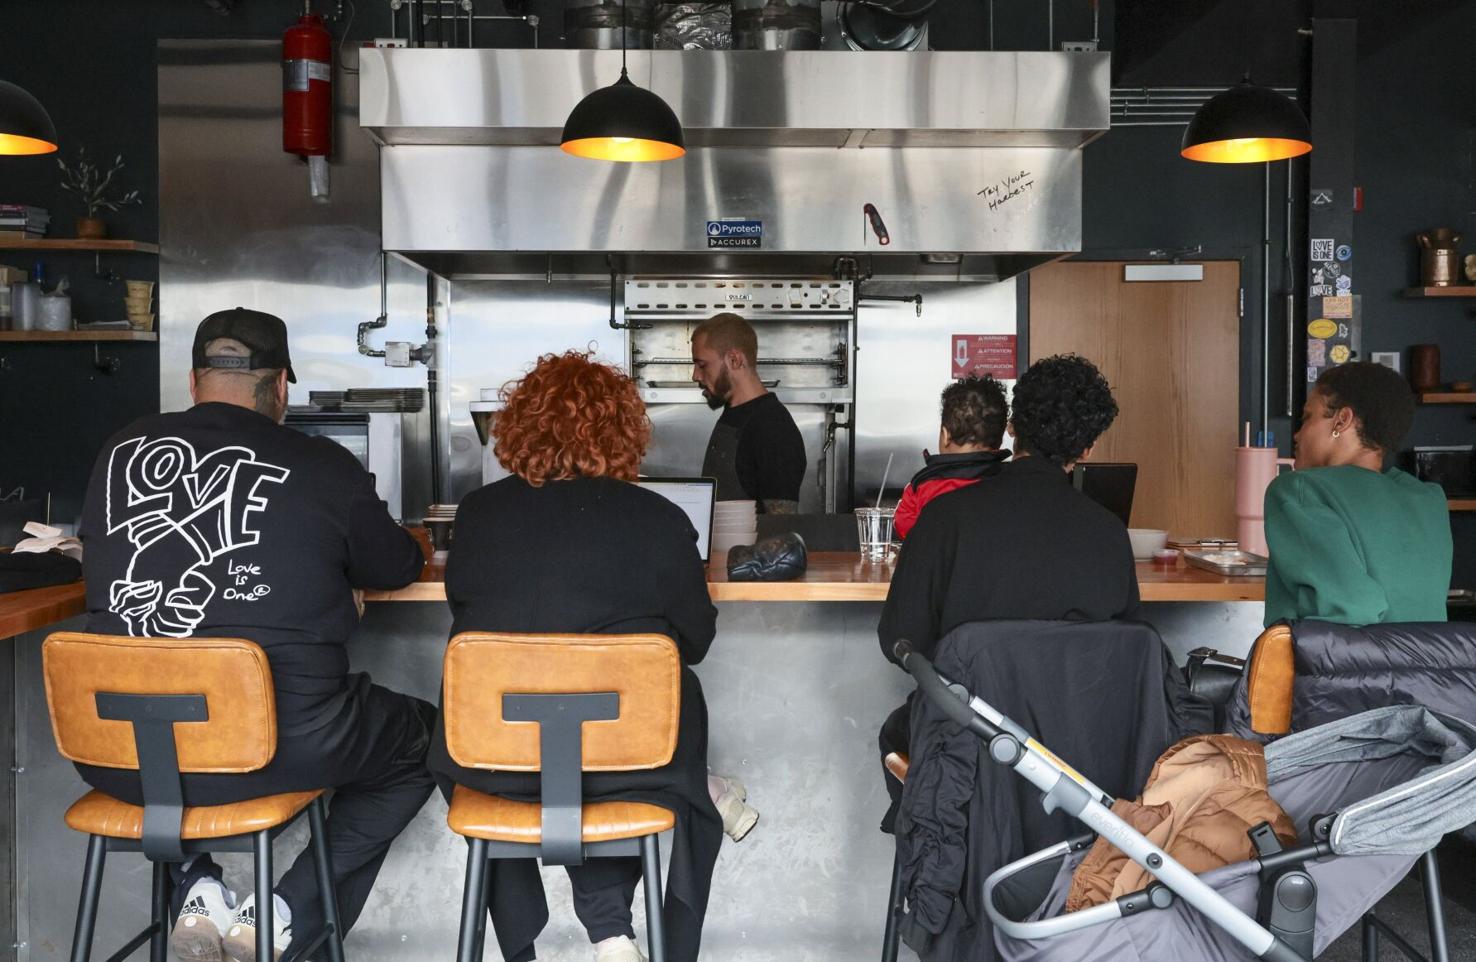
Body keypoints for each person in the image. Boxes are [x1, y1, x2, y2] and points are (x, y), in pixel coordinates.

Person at [78, 308, 435, 962]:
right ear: (280, 389)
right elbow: (397, 566)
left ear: (193, 381)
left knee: (167, 716)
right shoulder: (321, 463)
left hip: (116, 747)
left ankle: (197, 886)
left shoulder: (119, 450)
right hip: (281, 743)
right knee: (425, 741)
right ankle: (284, 911)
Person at [429, 351, 756, 962]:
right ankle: (614, 928)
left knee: (466, 722)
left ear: (521, 425)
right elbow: (697, 640)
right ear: (624, 431)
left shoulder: (479, 514)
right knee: (669, 695)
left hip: (495, 763)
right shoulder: (659, 520)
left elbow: (465, 610)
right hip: (631, 764)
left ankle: (538, 939)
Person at [876, 354, 1138, 823]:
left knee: (897, 732)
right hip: (1082, 762)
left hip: (968, 750)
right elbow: (1121, 651)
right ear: (1089, 447)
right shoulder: (1109, 533)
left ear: (1012, 428)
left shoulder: (947, 518)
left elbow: (899, 638)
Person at [1264, 361, 1452, 626]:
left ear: (1342, 420)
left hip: (1342, 666)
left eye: (1308, 417)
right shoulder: (1429, 500)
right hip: (1432, 666)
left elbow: (1347, 609)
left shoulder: (1301, 490)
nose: (1297, 434)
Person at [690, 312, 807, 513]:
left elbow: (780, 527)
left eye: (702, 365)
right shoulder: (734, 413)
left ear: (735, 360)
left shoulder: (773, 429)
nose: (695, 375)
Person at [893, 374, 1011, 539]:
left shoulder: (923, 485)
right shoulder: (1010, 480)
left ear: (945, 435)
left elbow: (903, 526)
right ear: (999, 440)